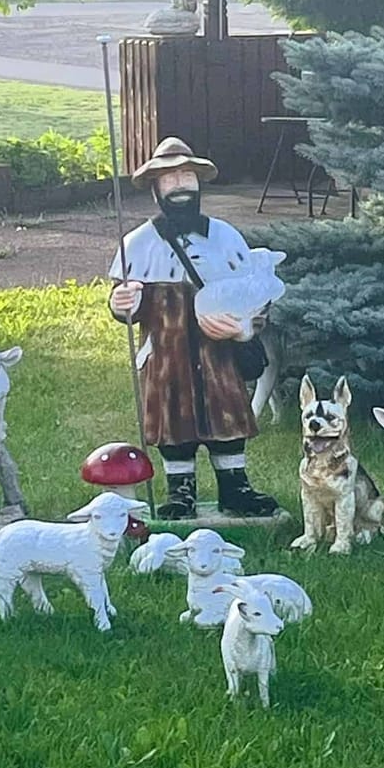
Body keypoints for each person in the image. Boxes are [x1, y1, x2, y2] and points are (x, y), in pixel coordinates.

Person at [108, 136, 281, 519]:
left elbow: (258, 296)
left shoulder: (226, 238)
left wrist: (242, 330)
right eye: (170, 178)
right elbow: (125, 304)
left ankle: (236, 488)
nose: (180, 185)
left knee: (227, 418)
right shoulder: (137, 244)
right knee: (174, 423)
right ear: (156, 188)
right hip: (167, 354)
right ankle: (180, 492)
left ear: (199, 183)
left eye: (186, 176)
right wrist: (121, 304)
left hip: (218, 353)